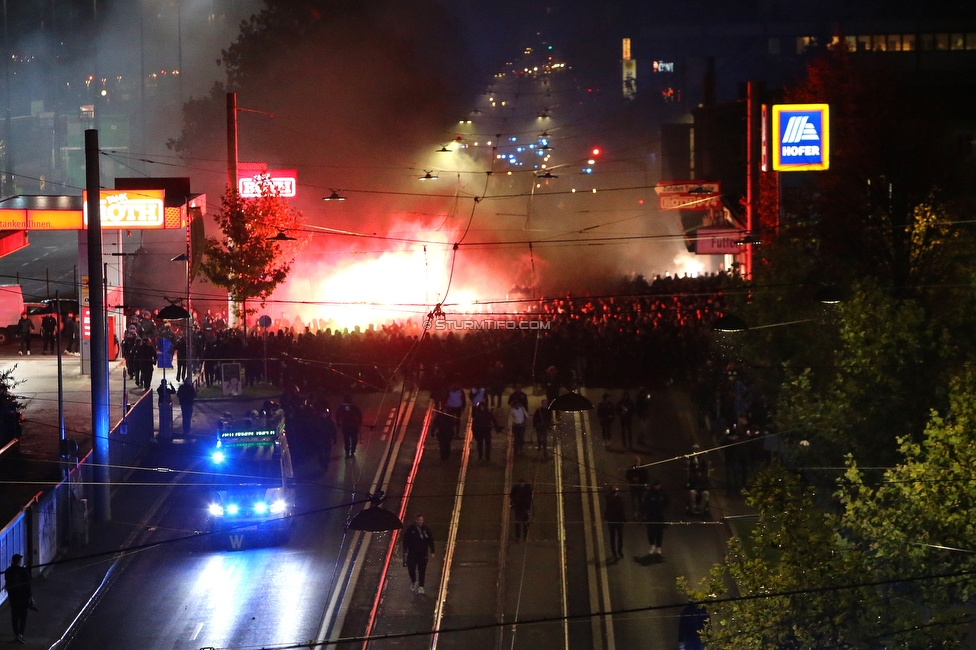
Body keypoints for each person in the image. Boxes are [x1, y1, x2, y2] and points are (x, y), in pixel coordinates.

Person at [402, 513, 435, 595]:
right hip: (412, 553)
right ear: (415, 521)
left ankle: (421, 586)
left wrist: (432, 551)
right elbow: (405, 540)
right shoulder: (410, 529)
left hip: (422, 553)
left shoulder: (425, 529)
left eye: (421, 520)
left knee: (422, 570)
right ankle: (413, 581)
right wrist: (405, 551)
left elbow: (430, 540)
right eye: (418, 520)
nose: (420, 522)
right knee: (411, 568)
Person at [4, 553, 32, 643]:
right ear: (19, 561)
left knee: (15, 616)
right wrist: (30, 597)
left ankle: (17, 635)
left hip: (13, 597)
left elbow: (8, 583)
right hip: (23, 597)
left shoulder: (8, 571)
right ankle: (21, 634)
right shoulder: (24, 571)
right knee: (23, 616)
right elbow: (27, 585)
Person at [643, 479, 669, 557]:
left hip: (660, 516)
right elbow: (645, 504)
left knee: (659, 532)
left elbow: (667, 502)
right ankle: (652, 546)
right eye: (655, 485)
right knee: (651, 532)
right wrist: (645, 514)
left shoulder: (663, 493)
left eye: (658, 485)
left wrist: (663, 510)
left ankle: (658, 547)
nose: (657, 487)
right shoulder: (650, 494)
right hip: (651, 516)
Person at [604, 486, 626, 560]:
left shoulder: (619, 498)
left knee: (620, 537)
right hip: (612, 520)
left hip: (618, 520)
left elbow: (622, 509)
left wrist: (623, 519)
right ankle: (614, 553)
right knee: (613, 537)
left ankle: (619, 551)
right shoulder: (609, 498)